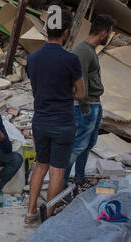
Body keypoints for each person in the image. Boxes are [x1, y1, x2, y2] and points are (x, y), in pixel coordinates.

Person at [25, 8, 85, 224]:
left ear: (46, 30)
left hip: (40, 121)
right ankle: (47, 218)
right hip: (62, 122)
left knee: (40, 165)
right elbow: (81, 93)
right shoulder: (71, 59)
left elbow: (35, 89)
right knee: (57, 170)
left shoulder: (32, 59)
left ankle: (30, 212)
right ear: (66, 32)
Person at [63, 15, 115, 190]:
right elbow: (79, 83)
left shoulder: (89, 50)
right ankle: (60, 182)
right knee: (78, 146)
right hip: (86, 107)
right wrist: (85, 108)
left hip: (94, 104)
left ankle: (78, 178)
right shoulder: (83, 51)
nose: (109, 37)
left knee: (87, 145)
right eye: (109, 33)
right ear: (103, 32)